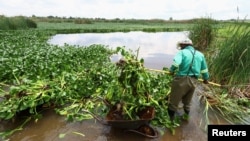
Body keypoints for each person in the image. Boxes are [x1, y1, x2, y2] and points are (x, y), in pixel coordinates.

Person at [167, 38, 209, 121]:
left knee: (174, 101)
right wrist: (205, 79)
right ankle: (186, 118)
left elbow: (176, 63)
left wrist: (171, 71)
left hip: (181, 80)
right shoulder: (200, 54)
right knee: (187, 101)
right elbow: (204, 69)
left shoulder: (182, 52)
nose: (180, 47)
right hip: (194, 81)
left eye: (181, 45)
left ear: (183, 45)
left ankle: (170, 120)